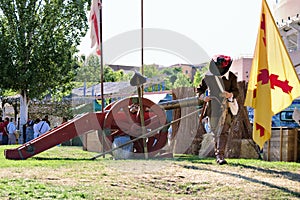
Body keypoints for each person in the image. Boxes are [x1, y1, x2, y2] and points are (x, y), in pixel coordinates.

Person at [197, 55, 239, 165]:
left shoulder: (232, 77)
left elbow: (236, 92)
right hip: (213, 108)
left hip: (226, 108)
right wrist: (203, 97)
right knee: (216, 131)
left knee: (224, 131)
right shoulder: (208, 77)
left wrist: (230, 94)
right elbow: (199, 90)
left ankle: (220, 155)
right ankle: (218, 154)